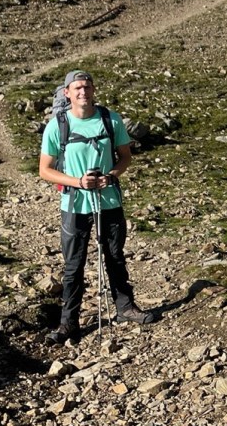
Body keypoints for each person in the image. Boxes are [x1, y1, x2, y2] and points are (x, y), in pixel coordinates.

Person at [38, 70, 158, 342]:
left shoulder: (110, 119)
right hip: (74, 203)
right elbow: (45, 170)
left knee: (115, 255)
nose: (83, 92)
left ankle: (125, 308)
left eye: (87, 87)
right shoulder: (57, 125)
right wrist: (78, 182)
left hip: (109, 200)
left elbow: (125, 157)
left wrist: (111, 176)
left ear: (93, 90)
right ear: (67, 93)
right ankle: (69, 323)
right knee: (74, 264)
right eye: (77, 88)